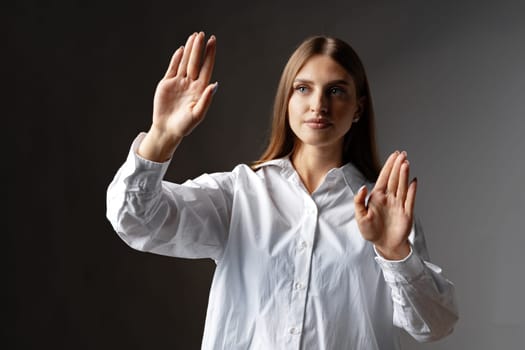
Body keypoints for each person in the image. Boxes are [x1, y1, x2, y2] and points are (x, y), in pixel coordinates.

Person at [106, 31, 458, 349]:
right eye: (303, 88)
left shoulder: (383, 209)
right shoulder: (239, 194)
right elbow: (137, 220)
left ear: (357, 109)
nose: (318, 104)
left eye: (335, 90)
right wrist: (162, 135)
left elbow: (434, 325)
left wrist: (393, 251)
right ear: (286, 100)